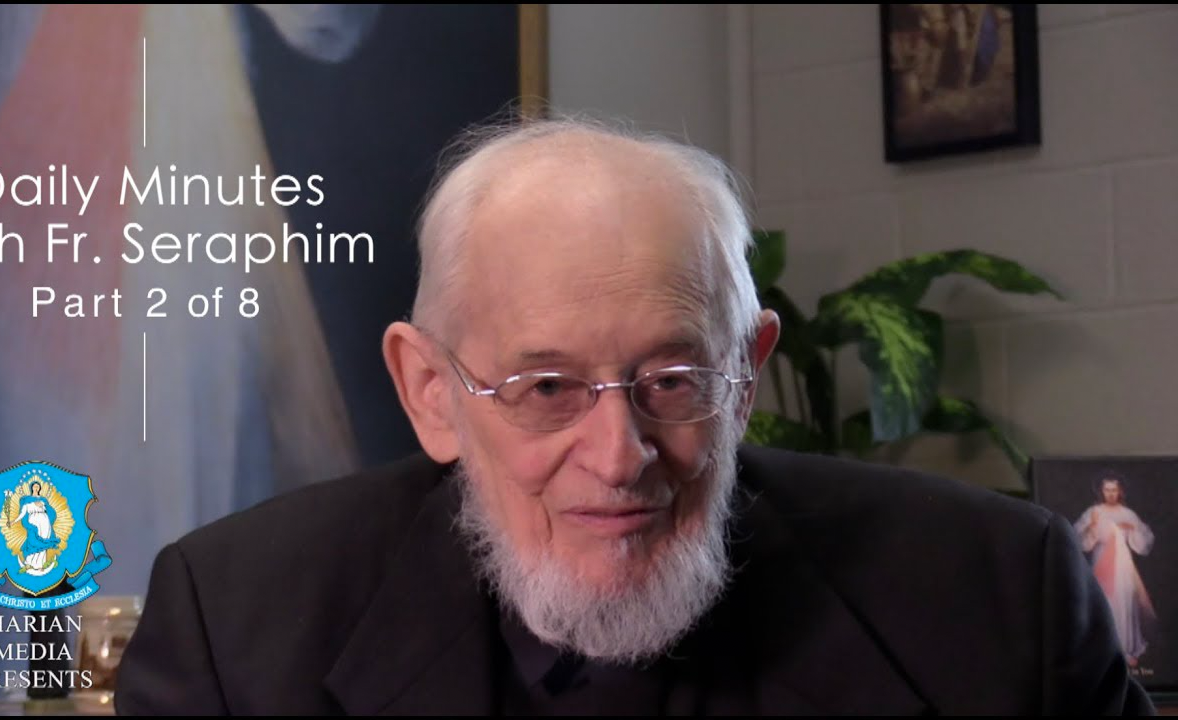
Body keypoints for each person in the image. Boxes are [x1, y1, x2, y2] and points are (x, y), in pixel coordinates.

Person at [114, 117, 1154, 714]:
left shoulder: (996, 595)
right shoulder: (237, 631)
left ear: (746, 375)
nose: (618, 458)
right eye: (545, 390)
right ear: (431, 392)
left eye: (671, 380)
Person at [1075, 476, 1156, 668]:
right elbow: (1078, 538)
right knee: (1103, 601)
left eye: (1114, 490)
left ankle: (1125, 648)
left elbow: (1144, 540)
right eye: (1107, 490)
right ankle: (1103, 647)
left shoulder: (1128, 514)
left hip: (1123, 565)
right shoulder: (1094, 512)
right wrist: (1092, 526)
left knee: (1124, 600)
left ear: (1120, 491)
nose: (1110, 494)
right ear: (1101, 491)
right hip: (1100, 563)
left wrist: (1132, 529)